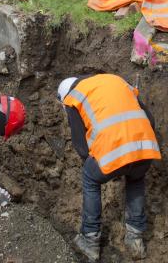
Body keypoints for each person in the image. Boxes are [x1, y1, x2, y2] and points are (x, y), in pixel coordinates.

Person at [56, 74, 161, 262]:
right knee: (136, 179)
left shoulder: (73, 98)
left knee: (90, 177)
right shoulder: (116, 80)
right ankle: (135, 239)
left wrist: (107, 163)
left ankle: (89, 240)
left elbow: (82, 148)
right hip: (144, 146)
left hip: (113, 151)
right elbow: (150, 119)